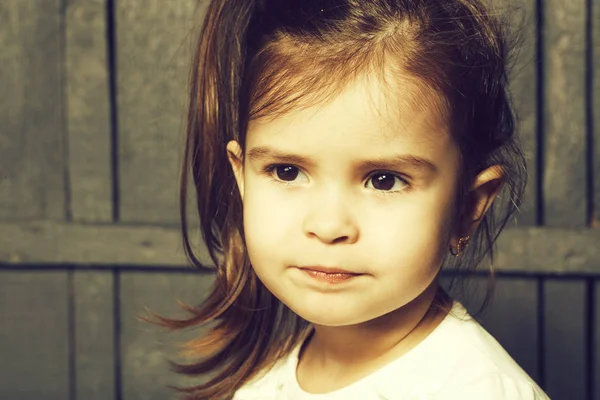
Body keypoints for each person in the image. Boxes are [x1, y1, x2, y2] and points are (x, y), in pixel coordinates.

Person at [156, 0, 551, 399]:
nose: (329, 227)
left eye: (383, 181)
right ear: (242, 179)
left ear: (469, 207)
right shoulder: (269, 378)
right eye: (287, 172)